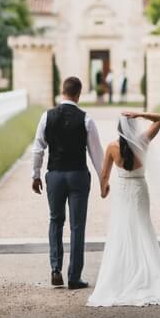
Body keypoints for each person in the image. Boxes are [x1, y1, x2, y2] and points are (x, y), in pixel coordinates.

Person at [87, 111, 160, 307]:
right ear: (134, 127)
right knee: (143, 228)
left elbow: (104, 174)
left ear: (118, 128)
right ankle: (148, 278)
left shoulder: (112, 147)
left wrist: (104, 191)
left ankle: (121, 279)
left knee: (121, 231)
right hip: (139, 188)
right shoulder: (143, 141)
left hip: (122, 190)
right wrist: (140, 114)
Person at [31, 76, 105, 289]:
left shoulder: (47, 116)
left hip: (55, 175)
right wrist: (103, 179)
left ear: (62, 92)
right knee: (77, 226)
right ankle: (74, 277)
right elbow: (96, 154)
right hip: (78, 175)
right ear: (78, 94)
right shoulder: (86, 119)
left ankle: (55, 268)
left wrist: (35, 175)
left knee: (55, 220)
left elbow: (38, 148)